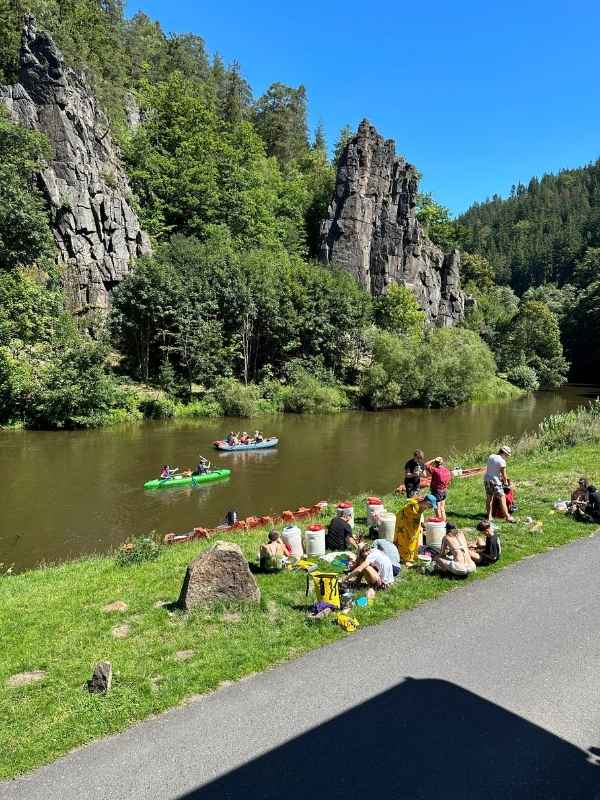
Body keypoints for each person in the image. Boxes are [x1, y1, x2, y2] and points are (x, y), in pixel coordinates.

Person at [394, 494, 437, 566]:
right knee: (406, 540)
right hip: (404, 522)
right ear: (427, 503)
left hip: (413, 523)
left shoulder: (422, 505)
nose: (430, 508)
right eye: (430, 506)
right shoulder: (413, 507)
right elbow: (412, 516)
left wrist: (422, 524)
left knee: (414, 539)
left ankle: (412, 556)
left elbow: (418, 517)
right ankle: (405, 559)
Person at [484, 446, 515, 522]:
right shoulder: (502, 461)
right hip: (495, 482)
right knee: (502, 497)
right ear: (504, 453)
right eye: (507, 455)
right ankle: (507, 517)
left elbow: (492, 469)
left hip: (487, 479)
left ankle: (489, 517)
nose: (507, 457)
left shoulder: (491, 456)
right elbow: (504, 475)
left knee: (489, 498)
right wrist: (506, 483)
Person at [425, 457, 452, 521]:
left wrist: (433, 459)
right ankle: (444, 522)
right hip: (444, 491)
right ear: (442, 463)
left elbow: (425, 465)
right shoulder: (447, 470)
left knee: (437, 508)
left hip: (436, 492)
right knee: (442, 508)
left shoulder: (435, 470)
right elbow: (449, 481)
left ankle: (439, 523)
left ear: (435, 463)